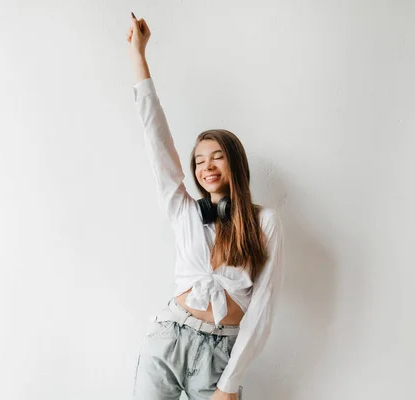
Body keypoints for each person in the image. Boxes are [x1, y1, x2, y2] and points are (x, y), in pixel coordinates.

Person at [126, 12, 285, 400]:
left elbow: (262, 307)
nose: (206, 166)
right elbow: (156, 142)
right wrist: (139, 57)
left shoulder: (265, 222)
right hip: (167, 340)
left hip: (219, 354)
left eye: (216, 157)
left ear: (235, 162)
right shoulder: (184, 211)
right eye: (199, 160)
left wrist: (229, 384)